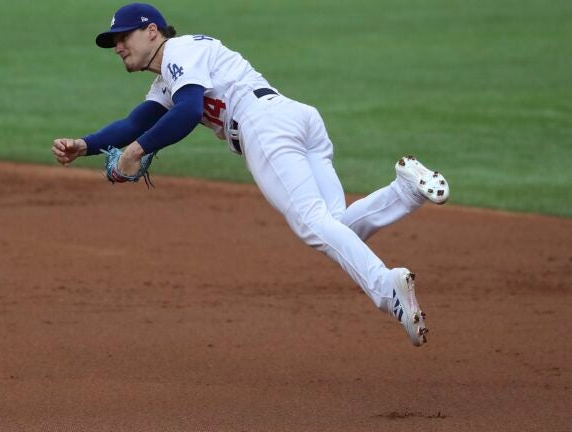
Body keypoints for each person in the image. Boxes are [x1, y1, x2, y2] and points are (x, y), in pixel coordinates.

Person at [52, 3, 450, 346]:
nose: (118, 46)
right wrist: (84, 145)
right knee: (337, 228)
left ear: (152, 31)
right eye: (113, 41)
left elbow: (188, 112)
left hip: (264, 127)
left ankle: (386, 289)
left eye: (124, 36)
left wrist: (136, 153)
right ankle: (405, 192)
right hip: (297, 118)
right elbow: (137, 120)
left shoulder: (179, 51)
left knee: (312, 226)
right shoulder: (171, 75)